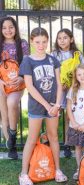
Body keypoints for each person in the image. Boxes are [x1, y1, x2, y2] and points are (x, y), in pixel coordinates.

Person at [19, 27, 67, 185]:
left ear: (48, 41)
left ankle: (57, 170)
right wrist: (48, 106)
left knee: (53, 137)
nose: (41, 45)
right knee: (32, 139)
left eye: (44, 42)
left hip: (53, 106)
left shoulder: (53, 60)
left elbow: (59, 84)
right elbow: (30, 87)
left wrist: (58, 104)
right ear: (32, 42)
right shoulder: (27, 60)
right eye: (37, 42)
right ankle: (24, 174)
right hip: (37, 107)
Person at [51, 28, 84, 158]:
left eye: (65, 37)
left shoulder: (77, 54)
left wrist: (73, 83)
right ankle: (52, 140)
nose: (62, 40)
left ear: (71, 39)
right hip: (58, 90)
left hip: (73, 89)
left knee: (69, 117)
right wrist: (60, 84)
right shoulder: (54, 54)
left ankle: (67, 143)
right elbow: (50, 71)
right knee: (55, 115)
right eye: (59, 38)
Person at [0, 16, 29, 159]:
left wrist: (22, 77)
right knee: (4, 113)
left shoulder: (22, 44)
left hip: (17, 82)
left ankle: (13, 136)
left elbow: (27, 62)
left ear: (15, 28)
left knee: (12, 103)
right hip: (1, 83)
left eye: (10, 27)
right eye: (4, 28)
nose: (8, 30)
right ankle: (11, 146)